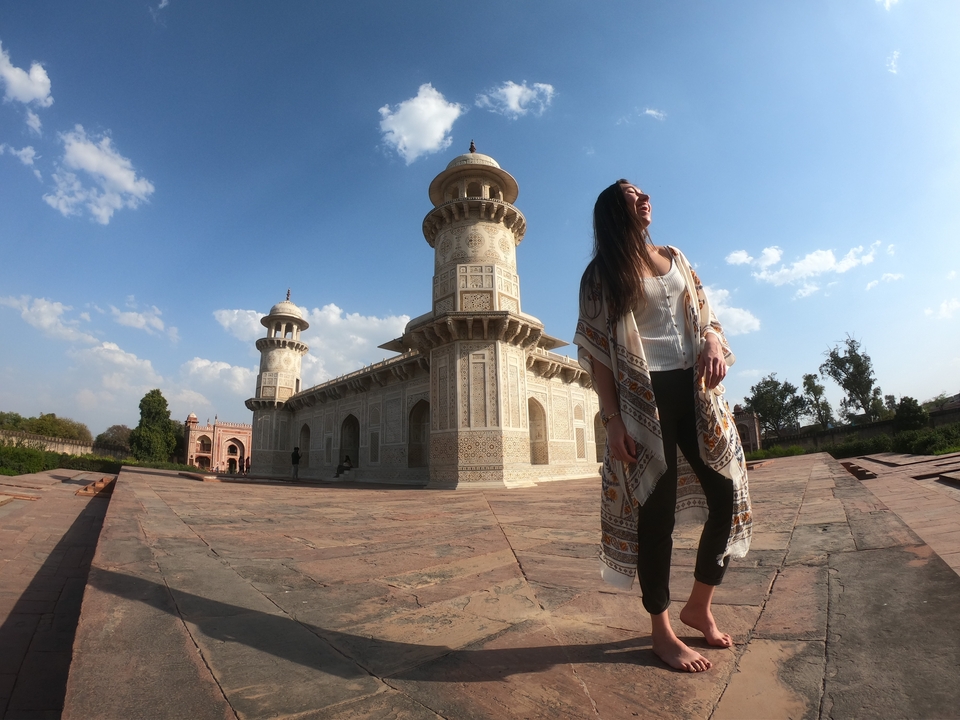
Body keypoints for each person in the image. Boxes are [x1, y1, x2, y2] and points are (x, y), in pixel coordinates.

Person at [573, 179, 752, 673]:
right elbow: (598, 355)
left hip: (696, 394)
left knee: (728, 495)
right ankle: (662, 631)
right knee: (657, 517)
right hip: (642, 402)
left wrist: (712, 342)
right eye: (631, 196)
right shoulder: (601, 274)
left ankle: (699, 606)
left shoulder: (675, 256)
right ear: (614, 211)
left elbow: (706, 316)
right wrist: (612, 420)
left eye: (643, 193)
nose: (644, 198)